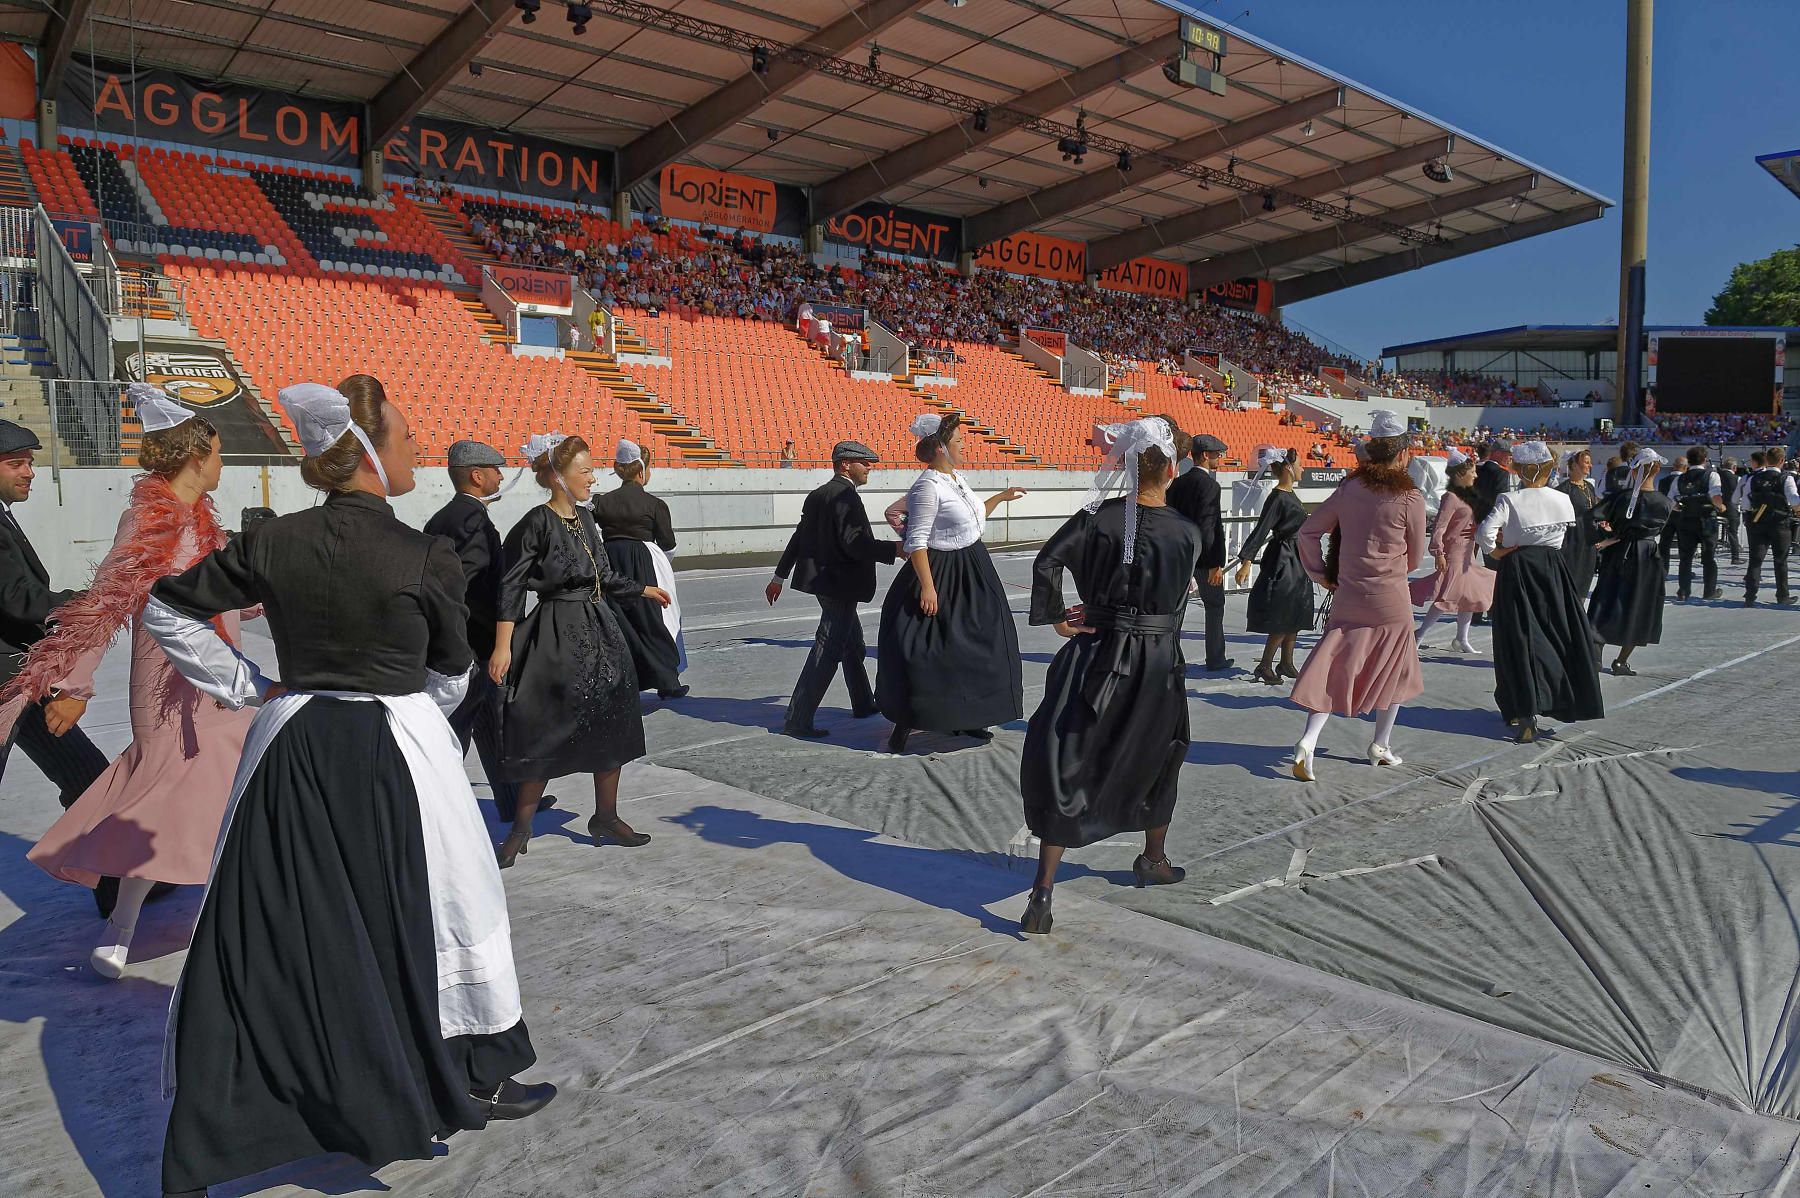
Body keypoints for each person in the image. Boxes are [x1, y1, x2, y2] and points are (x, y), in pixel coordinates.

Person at [142, 378, 553, 1198]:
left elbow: (166, 608)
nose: (413, 448)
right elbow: (451, 670)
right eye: (403, 436)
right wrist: (412, 711)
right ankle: (469, 1071)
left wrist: (250, 685)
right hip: (395, 750)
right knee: (445, 906)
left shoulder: (272, 540)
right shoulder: (423, 553)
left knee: (286, 929)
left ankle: (263, 1108)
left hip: (291, 746)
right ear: (368, 454)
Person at [1, 387, 252, 978]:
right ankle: (122, 923)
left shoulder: (205, 522)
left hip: (223, 679)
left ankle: (229, 916)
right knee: (161, 800)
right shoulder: (145, 520)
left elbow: (232, 594)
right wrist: (75, 685)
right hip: (165, 685)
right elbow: (106, 606)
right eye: (217, 451)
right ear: (194, 455)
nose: (222, 462)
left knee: (231, 796)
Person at [1016, 417, 1198, 935]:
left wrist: (1058, 616)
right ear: (1171, 468)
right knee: (1162, 751)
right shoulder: (1187, 531)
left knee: (1071, 758)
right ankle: (1152, 858)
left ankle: (1043, 892)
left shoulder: (1095, 519)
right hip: (1157, 659)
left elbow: (1047, 561)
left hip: (1096, 652)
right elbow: (1177, 596)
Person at [489, 432, 671, 868]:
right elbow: (511, 585)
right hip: (554, 633)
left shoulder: (588, 520)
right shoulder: (536, 522)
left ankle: (606, 817)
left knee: (612, 719)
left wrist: (643, 588)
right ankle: (521, 827)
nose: (593, 477)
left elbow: (604, 576)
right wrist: (502, 646)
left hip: (601, 632)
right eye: (584, 470)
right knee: (545, 724)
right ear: (557, 476)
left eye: (592, 469)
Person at [876, 413, 1025, 753]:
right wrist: (928, 587)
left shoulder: (956, 480)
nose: (963, 445)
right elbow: (916, 540)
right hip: (941, 571)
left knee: (980, 645)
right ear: (941, 447)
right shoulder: (926, 487)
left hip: (973, 567)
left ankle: (970, 715)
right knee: (931, 650)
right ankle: (908, 719)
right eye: (958, 440)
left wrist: (1001, 497)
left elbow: (971, 520)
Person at [1288, 410, 1425, 781]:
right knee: (1395, 670)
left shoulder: (1348, 489)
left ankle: (1309, 739)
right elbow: (1415, 556)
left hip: (1349, 591)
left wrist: (1321, 574)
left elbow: (1308, 532)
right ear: (1402, 455)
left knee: (1332, 662)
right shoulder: (1411, 497)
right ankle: (1380, 745)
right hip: (1390, 596)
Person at [0, 419, 110, 833]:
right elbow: (16, 598)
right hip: (8, 683)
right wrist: (88, 601)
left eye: (29, 462)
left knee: (87, 777)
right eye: (16, 463)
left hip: (23, 679)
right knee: (87, 777)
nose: (29, 472)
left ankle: (112, 882)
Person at [1476, 441, 1605, 743]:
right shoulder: (1562, 498)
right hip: (1553, 569)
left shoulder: (1510, 499)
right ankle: (1556, 697)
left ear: (1518, 470)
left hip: (1518, 566)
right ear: (1550, 468)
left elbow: (1484, 534)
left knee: (1519, 637)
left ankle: (1524, 712)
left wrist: (1497, 552)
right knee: (1557, 632)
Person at [767, 441, 898, 737]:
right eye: (864, 463)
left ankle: (863, 702)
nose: (869, 467)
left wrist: (779, 575)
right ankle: (798, 719)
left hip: (825, 584)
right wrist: (895, 549)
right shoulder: (846, 496)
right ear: (845, 464)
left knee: (853, 644)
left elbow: (799, 538)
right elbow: (855, 544)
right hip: (841, 585)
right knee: (828, 649)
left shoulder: (818, 495)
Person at [423, 439, 523, 822]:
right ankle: (436, 810)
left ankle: (512, 801)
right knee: (456, 732)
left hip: (464, 642)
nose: (501, 475)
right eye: (495, 469)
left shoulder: (443, 517)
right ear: (476, 476)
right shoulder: (473, 522)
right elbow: (459, 586)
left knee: (490, 722)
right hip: (472, 643)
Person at [591, 438, 687, 700]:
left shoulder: (601, 502)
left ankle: (623, 681)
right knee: (652, 621)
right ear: (642, 469)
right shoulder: (654, 504)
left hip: (610, 561)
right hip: (644, 563)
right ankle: (668, 680)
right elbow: (668, 544)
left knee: (618, 622)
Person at [1233, 447, 1313, 685]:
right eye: (1299, 464)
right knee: (1284, 612)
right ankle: (1265, 665)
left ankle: (1286, 662)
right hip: (1283, 559)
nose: (1302, 468)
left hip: (1296, 559)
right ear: (1288, 467)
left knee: (1296, 609)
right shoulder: (1277, 496)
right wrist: (1246, 562)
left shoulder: (1289, 494)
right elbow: (1261, 530)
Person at [1589, 448, 1671, 675]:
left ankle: (1596, 655)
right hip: (1648, 555)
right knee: (1641, 605)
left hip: (1620, 551)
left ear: (1634, 471)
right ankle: (1621, 661)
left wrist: (1607, 536)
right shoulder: (1665, 502)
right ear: (1656, 471)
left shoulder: (1620, 499)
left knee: (1606, 599)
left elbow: (1591, 519)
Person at [1410, 449, 1493, 655]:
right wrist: (1438, 552)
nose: (1475, 475)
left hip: (1467, 553)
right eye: (1472, 472)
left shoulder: (1470, 497)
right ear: (1459, 474)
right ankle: (1419, 635)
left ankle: (1461, 639)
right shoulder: (1451, 497)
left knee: (1468, 596)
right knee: (1448, 597)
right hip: (1453, 553)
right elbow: (1439, 526)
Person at [1167, 432, 1231, 671]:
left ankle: (1170, 658)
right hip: (1205, 559)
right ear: (1205, 455)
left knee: (1176, 608)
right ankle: (1215, 658)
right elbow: (1209, 527)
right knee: (1214, 606)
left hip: (1180, 556)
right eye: (1217, 454)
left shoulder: (1178, 483)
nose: (1220, 458)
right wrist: (1216, 563)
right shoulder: (1210, 485)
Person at [1743, 446, 1796, 607]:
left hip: (1758, 523)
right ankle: (1782, 596)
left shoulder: (1753, 478)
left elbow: (1745, 503)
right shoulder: (1786, 478)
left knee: (1755, 560)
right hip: (1780, 524)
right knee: (1780, 560)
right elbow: (1794, 500)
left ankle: (1750, 596)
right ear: (1782, 461)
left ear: (1766, 460)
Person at [1671, 445, 1726, 601]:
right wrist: (1721, 506)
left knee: (1685, 558)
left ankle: (1683, 591)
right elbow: (1715, 496)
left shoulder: (1679, 478)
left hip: (1686, 520)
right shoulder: (1711, 475)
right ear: (1704, 460)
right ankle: (1709, 591)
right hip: (1706, 519)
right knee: (1709, 557)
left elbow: (1671, 501)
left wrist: (1683, 507)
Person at [1555, 447, 1601, 598]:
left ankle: (1579, 615)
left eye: (1590, 462)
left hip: (1587, 539)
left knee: (1585, 579)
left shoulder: (1589, 486)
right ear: (1574, 466)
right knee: (1571, 578)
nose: (1590, 465)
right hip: (1571, 539)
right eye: (1586, 462)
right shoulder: (1563, 489)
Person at [1718, 456, 1742, 566]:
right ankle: (1735, 557)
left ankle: (1707, 555)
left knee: (1711, 532)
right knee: (1733, 533)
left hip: (1717, 505)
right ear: (1735, 467)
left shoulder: (1716, 476)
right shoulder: (1737, 479)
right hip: (1731, 507)